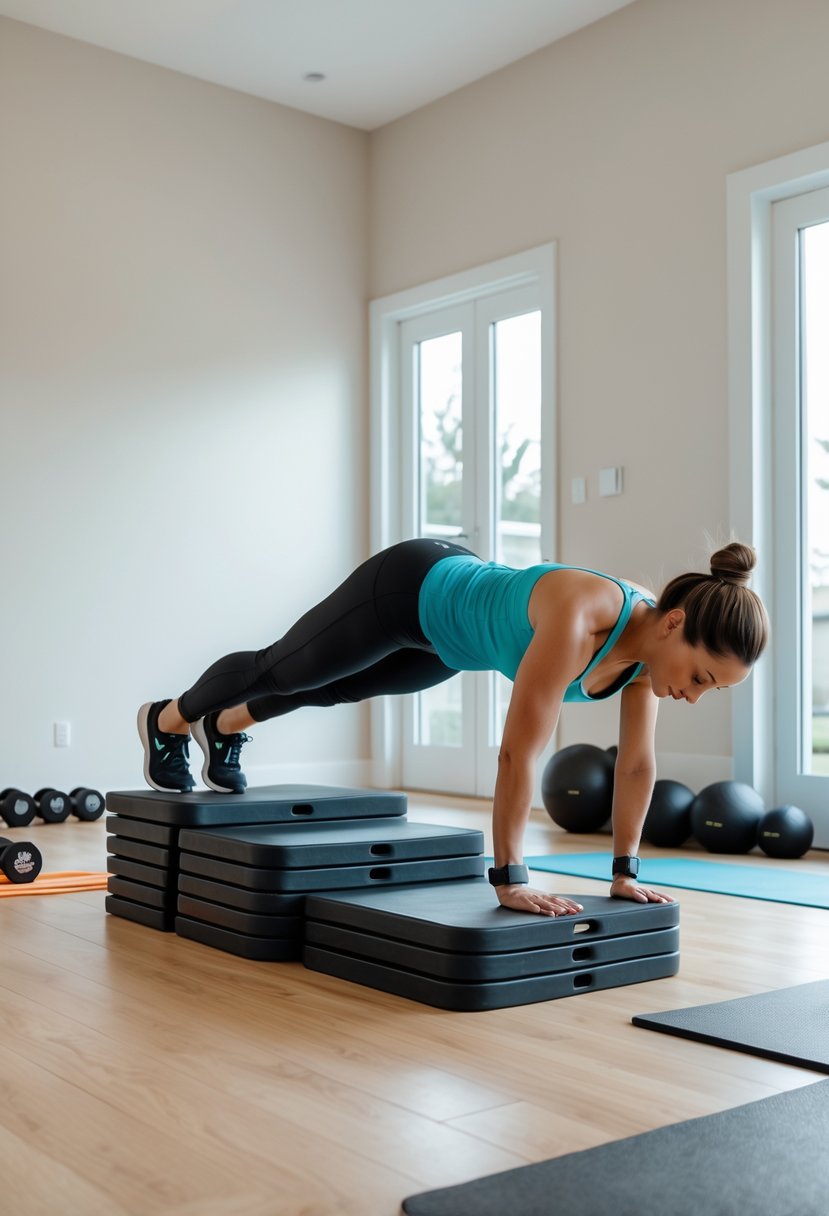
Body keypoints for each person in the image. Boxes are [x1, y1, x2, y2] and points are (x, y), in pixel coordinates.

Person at [138, 538, 768, 917]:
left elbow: (636, 764)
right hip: (412, 587)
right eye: (704, 677)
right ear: (674, 623)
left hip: (446, 645)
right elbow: (519, 753)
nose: (694, 695)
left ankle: (224, 727)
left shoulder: (644, 664)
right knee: (282, 668)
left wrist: (625, 872)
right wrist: (510, 878)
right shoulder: (586, 614)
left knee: (329, 690)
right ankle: (167, 720)